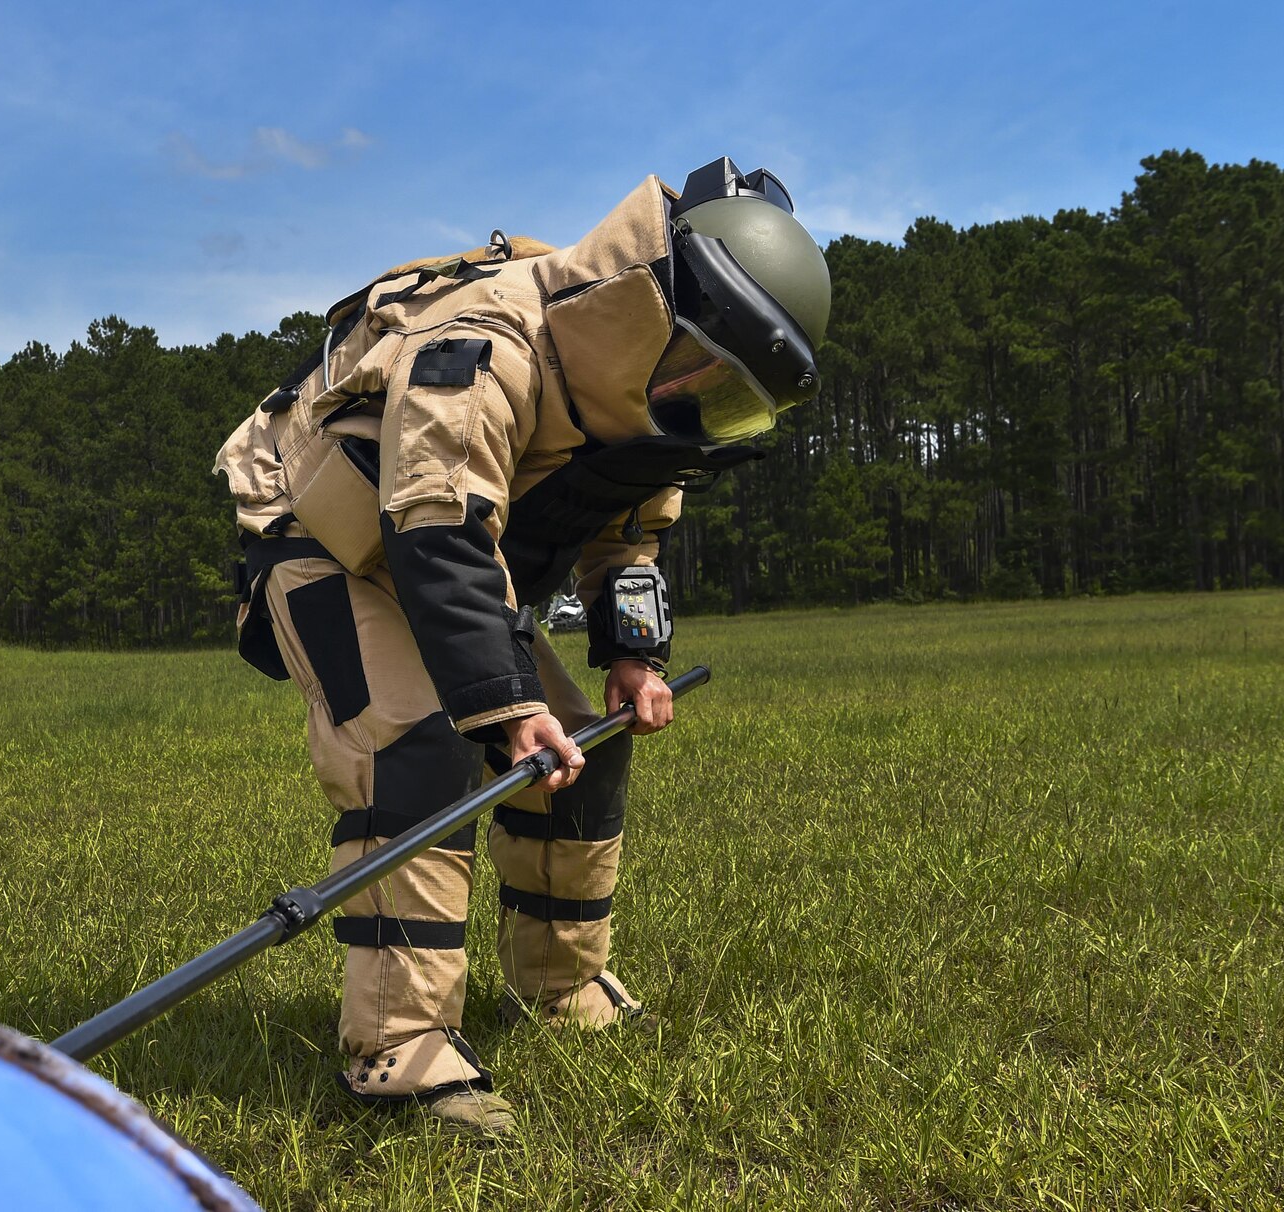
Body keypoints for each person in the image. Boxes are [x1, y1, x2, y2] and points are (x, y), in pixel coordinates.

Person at [214, 157, 831, 1136]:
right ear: (654, 312)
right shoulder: (485, 341)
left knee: (586, 741)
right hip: (326, 540)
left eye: (735, 403)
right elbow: (436, 528)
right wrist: (503, 708)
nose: (706, 409)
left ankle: (559, 988)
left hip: (441, 556)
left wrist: (633, 657)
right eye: (709, 378)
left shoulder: (652, 409)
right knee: (409, 745)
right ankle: (399, 1048)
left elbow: (628, 539)